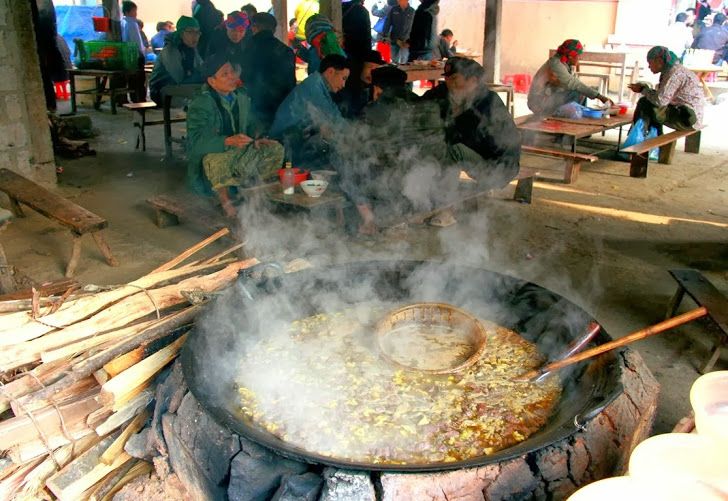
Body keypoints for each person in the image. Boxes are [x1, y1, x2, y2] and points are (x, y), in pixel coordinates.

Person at [341, 66, 446, 234]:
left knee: (348, 162)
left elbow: (358, 146)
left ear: (377, 89)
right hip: (426, 178)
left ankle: (369, 221)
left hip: (392, 180)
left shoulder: (375, 110)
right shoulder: (421, 104)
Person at [422, 57, 521, 224]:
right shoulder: (447, 93)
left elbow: (481, 141)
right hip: (472, 157)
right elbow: (419, 104)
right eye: (446, 78)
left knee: (454, 150)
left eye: (454, 79)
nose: (448, 83)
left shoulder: (489, 103)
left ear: (473, 80)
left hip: (497, 166)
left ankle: (446, 210)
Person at [187, 54, 284, 217]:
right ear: (212, 81)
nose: (232, 77)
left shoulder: (241, 97)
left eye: (232, 72)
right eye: (225, 74)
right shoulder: (201, 103)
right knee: (213, 160)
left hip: (239, 154)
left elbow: (252, 124)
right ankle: (226, 202)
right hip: (216, 159)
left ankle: (256, 194)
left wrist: (257, 138)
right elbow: (195, 143)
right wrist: (227, 141)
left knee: (275, 149)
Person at [270, 54, 349, 170]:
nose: (343, 85)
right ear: (330, 71)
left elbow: (335, 114)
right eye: (343, 78)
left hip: (294, 141)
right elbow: (332, 119)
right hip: (281, 145)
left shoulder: (320, 86)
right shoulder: (313, 87)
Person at [628, 46, 704, 134]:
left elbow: (660, 101)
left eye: (650, 62)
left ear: (659, 61)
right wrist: (646, 90)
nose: (649, 66)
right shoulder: (675, 70)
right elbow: (663, 97)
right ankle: (650, 138)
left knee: (645, 103)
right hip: (688, 114)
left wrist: (643, 90)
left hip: (689, 118)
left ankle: (638, 137)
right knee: (652, 108)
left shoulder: (673, 74)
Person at [240, 13, 297, 131]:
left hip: (255, 107)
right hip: (281, 107)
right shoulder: (286, 50)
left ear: (254, 27)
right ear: (274, 29)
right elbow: (291, 83)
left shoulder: (247, 48)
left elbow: (244, 77)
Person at [527, 39, 612, 117]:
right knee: (577, 93)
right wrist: (600, 97)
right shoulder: (556, 64)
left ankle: (577, 119)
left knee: (581, 94)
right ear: (571, 56)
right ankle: (565, 120)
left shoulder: (564, 63)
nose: (579, 59)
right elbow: (574, 84)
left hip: (549, 97)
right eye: (578, 56)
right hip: (538, 103)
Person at [149, 16, 204, 105]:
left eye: (197, 32)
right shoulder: (171, 50)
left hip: (181, 88)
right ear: (181, 33)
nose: (195, 36)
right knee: (202, 96)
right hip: (162, 90)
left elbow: (202, 68)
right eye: (190, 32)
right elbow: (179, 78)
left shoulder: (191, 49)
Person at [336, 49, 386, 118]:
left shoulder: (373, 87)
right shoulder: (345, 85)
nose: (373, 73)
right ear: (361, 67)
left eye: (376, 69)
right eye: (370, 67)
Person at [120, 1, 147, 102]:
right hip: (136, 55)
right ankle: (140, 100)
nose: (136, 13)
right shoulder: (132, 24)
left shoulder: (123, 23)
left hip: (128, 55)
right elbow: (137, 42)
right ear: (127, 12)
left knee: (132, 79)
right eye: (134, 11)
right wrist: (142, 54)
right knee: (139, 80)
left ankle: (134, 99)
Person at [381, 0, 415, 64]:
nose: (399, 1)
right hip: (394, 39)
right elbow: (387, 23)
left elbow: (415, 27)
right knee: (394, 61)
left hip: (406, 41)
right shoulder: (394, 10)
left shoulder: (412, 11)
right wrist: (385, 36)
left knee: (404, 61)